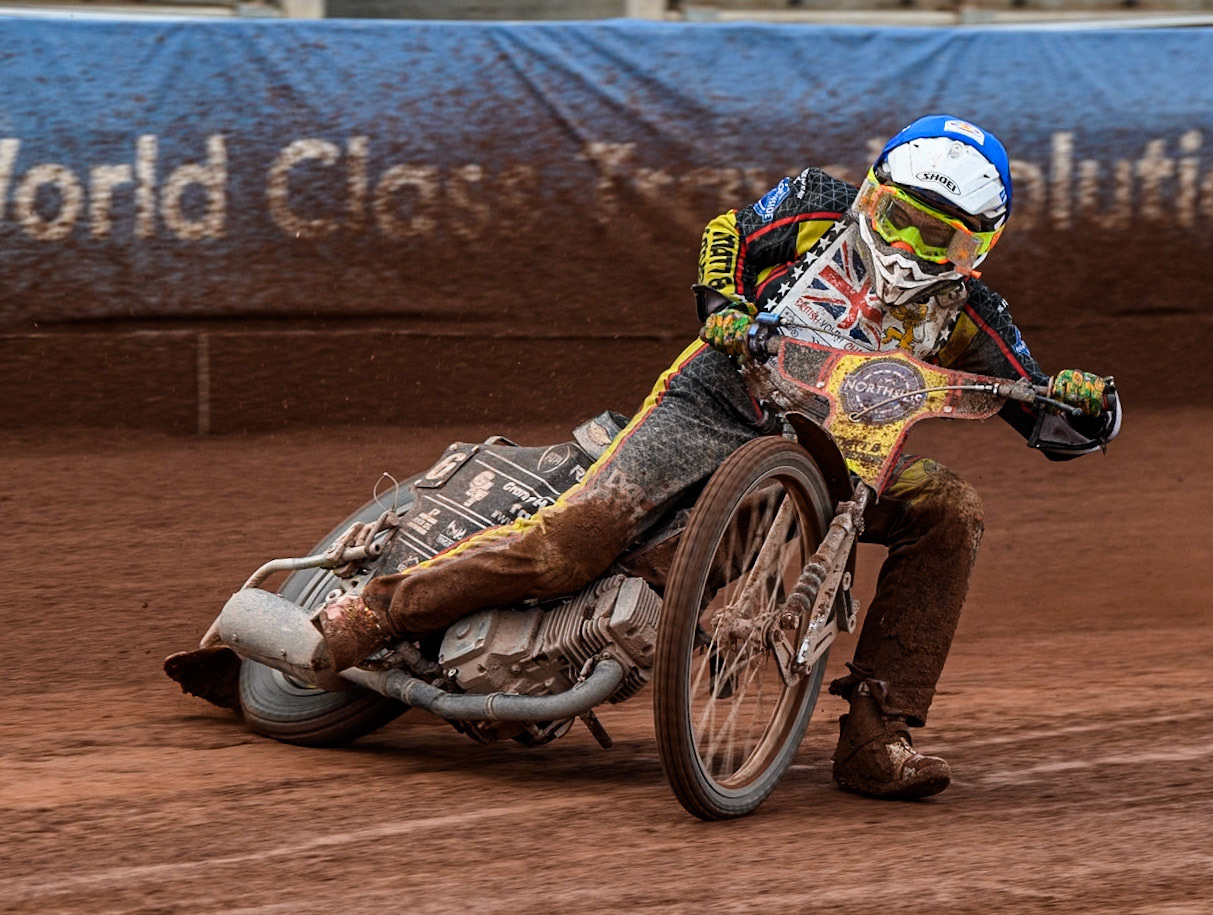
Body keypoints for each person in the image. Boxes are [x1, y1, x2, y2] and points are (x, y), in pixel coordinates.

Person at [312, 114, 1122, 800]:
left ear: (974, 245)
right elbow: (726, 235)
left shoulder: (973, 313)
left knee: (950, 506)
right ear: (871, 193)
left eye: (933, 232)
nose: (904, 239)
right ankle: (380, 607)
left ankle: (879, 732)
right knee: (574, 545)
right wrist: (725, 305)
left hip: (842, 460)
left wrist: (1088, 403)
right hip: (713, 399)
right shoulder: (814, 206)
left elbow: (1045, 412)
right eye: (895, 213)